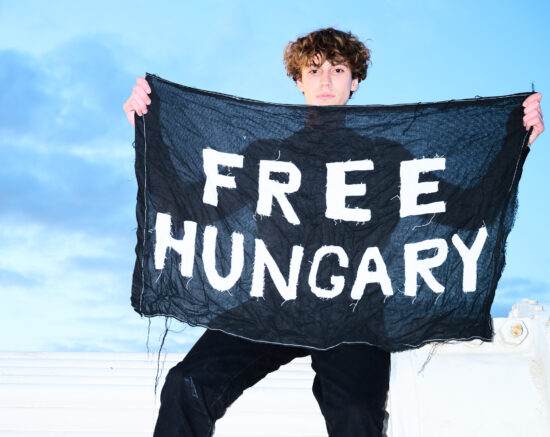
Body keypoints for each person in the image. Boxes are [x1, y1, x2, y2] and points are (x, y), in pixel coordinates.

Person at [123, 28, 545, 437]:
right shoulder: (267, 156)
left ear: (355, 81)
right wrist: (148, 126)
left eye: (338, 69)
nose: (325, 80)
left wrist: (515, 141)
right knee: (186, 383)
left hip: (355, 313)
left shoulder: (386, 158)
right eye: (314, 70)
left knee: (357, 413)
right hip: (272, 304)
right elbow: (188, 204)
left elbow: (465, 211)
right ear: (299, 80)